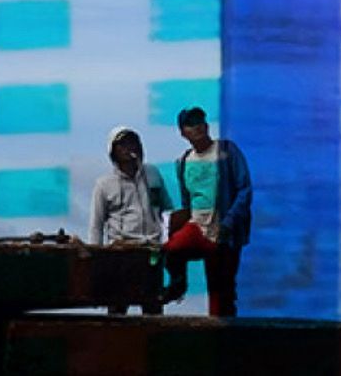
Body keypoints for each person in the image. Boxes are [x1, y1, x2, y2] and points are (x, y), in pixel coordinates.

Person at [162, 107, 253, 317]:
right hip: (197, 225)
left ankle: (222, 330)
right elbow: (187, 201)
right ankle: (178, 285)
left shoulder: (227, 151)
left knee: (221, 290)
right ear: (183, 132)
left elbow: (244, 190)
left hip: (224, 230)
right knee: (171, 250)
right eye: (191, 123)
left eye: (200, 121)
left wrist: (228, 223)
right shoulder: (183, 161)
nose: (198, 126)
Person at [88, 126, 174, 315]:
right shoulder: (104, 184)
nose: (128, 147)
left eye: (132, 142)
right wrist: (96, 263)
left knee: (153, 309)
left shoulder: (152, 173)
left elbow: (167, 209)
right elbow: (96, 225)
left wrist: (166, 241)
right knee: (117, 310)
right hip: (121, 254)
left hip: (151, 252)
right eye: (122, 144)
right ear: (113, 151)